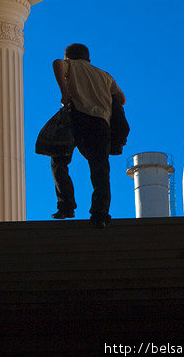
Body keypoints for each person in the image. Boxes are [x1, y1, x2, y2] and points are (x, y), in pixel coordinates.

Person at [51, 43, 125, 228]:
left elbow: (57, 64)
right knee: (100, 170)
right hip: (101, 124)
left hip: (77, 119)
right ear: (89, 59)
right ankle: (100, 214)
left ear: (69, 57)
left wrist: (65, 93)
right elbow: (121, 99)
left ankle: (66, 204)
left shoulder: (72, 65)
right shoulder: (104, 75)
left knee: (59, 160)